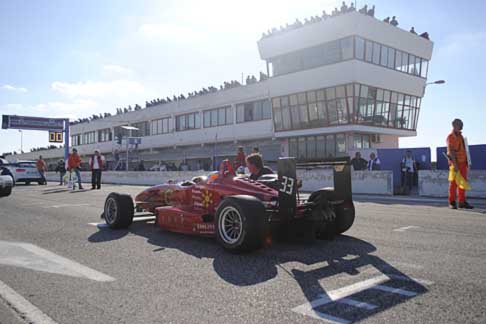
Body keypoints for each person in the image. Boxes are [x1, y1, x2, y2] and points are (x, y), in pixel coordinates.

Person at [447, 119, 473, 209]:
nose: (461, 126)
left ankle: (462, 202)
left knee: (462, 183)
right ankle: (452, 202)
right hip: (455, 164)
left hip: (463, 163)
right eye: (460, 125)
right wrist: (455, 165)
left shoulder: (461, 137)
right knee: (453, 184)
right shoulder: (451, 137)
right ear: (454, 125)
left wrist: (468, 162)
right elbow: (451, 152)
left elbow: (464, 150)